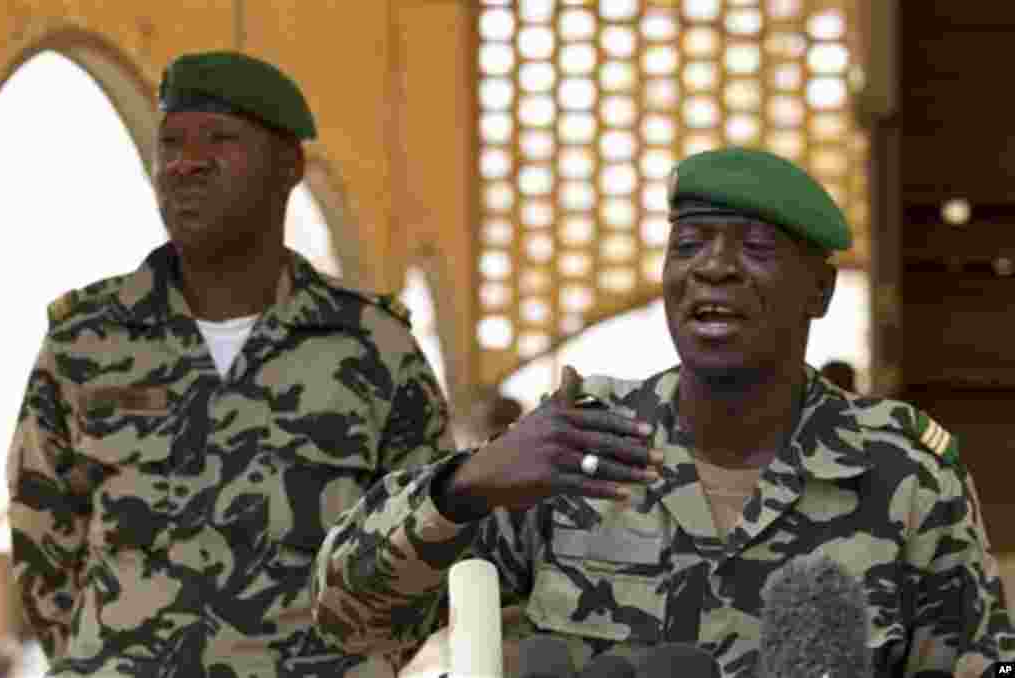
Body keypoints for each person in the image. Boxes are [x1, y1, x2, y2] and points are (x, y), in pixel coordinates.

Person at [312, 148, 1014, 677]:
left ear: (820, 291)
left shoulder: (901, 472)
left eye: (757, 247)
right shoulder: (576, 445)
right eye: (689, 244)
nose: (714, 267)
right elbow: (351, 621)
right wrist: (463, 486)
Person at [6, 51, 453, 677]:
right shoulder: (85, 340)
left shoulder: (375, 349)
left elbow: (424, 534)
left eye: (220, 139)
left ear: (289, 166)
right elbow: (42, 545)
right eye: (171, 144)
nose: (185, 164)